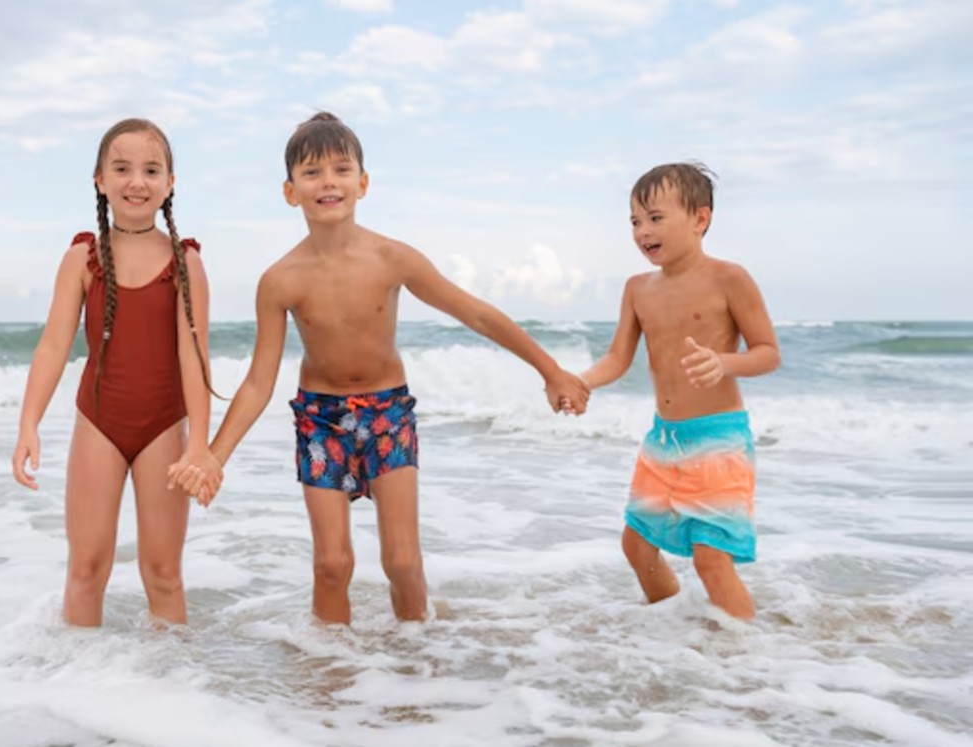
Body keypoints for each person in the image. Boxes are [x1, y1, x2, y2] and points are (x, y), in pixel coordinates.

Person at [169, 112, 588, 625]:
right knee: (331, 563)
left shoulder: (392, 257)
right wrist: (215, 457)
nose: (328, 182)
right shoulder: (280, 279)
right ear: (289, 191)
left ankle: (414, 668)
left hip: (388, 413)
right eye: (312, 172)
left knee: (403, 561)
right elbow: (260, 380)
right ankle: (330, 677)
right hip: (320, 421)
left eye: (341, 170)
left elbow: (474, 313)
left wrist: (550, 370)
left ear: (362, 183)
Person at [11, 118, 218, 627]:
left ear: (170, 183)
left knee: (163, 572)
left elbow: (195, 359)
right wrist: (28, 424)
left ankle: (170, 687)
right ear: (100, 179)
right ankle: (77, 688)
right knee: (86, 568)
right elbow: (53, 346)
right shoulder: (82, 257)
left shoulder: (184, 262)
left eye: (151, 170)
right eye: (122, 169)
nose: (137, 181)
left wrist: (200, 445)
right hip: (99, 424)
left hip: (165, 429)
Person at [577, 162, 780, 620]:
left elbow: (768, 352)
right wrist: (583, 382)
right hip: (664, 441)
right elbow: (617, 358)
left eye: (654, 217)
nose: (642, 231)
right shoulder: (637, 289)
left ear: (700, 219)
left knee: (711, 559)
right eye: (634, 221)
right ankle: (670, 633)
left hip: (718, 439)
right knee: (636, 546)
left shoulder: (729, 278)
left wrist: (724, 362)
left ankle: (747, 659)